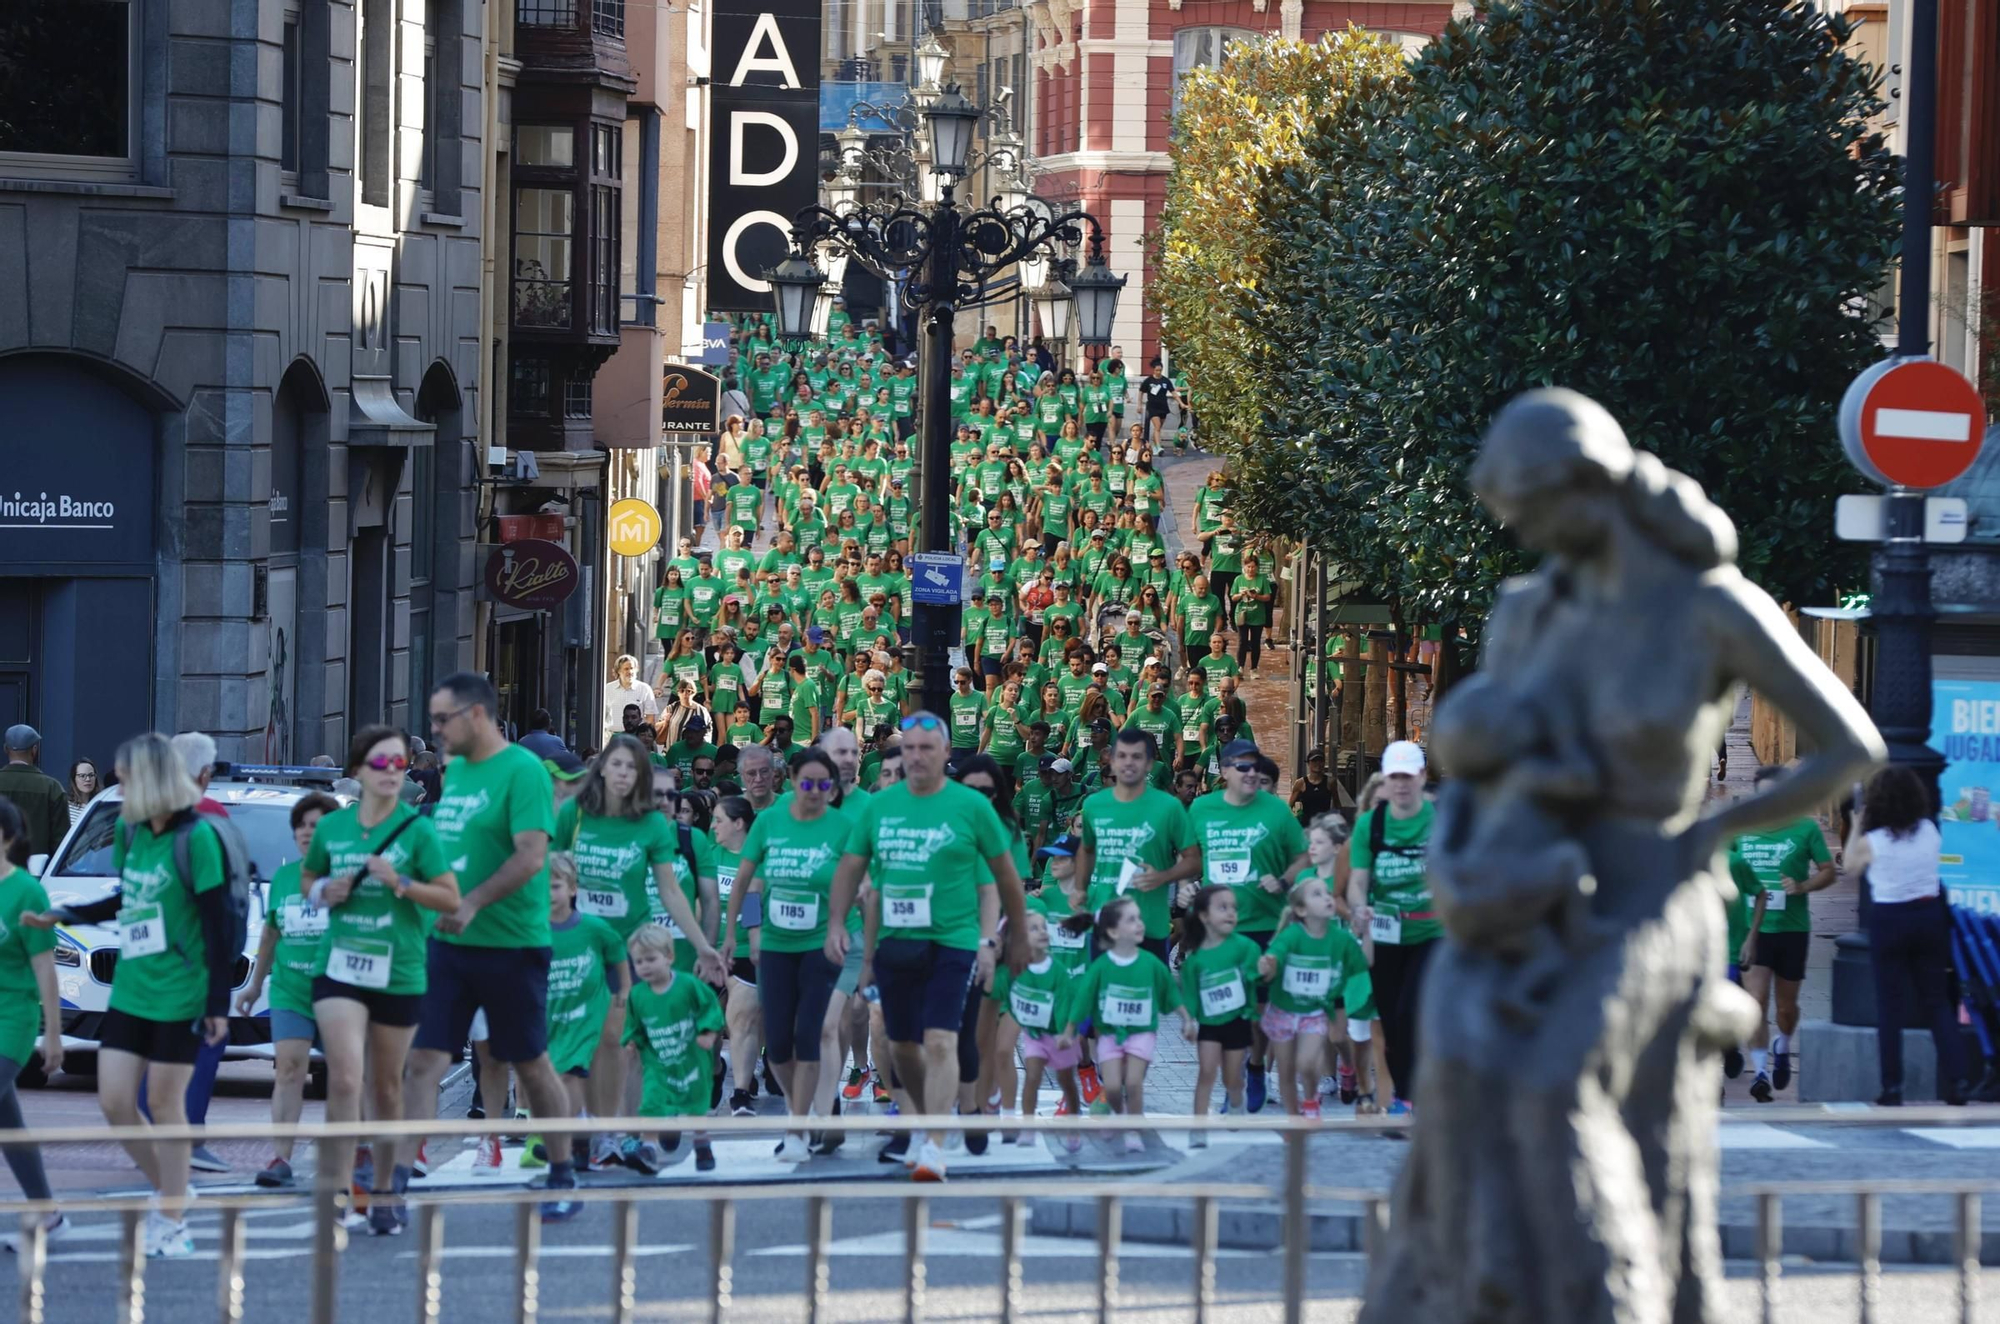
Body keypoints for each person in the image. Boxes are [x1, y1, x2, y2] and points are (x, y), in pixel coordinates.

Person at [22, 733, 233, 1258]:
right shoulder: (132, 833)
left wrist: (216, 1006)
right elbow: (125, 899)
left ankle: (172, 1217)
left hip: (180, 993)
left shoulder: (198, 837)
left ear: (154, 778)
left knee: (165, 1104)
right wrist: (63, 914)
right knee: (115, 1102)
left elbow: (219, 927)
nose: (119, 785)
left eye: (126, 776)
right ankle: (173, 1191)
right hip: (132, 990)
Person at [404, 673, 584, 1224]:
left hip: (510, 944)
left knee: (530, 1063)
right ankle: (398, 1172)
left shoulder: (523, 772)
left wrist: (474, 902)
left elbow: (532, 855)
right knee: (424, 1059)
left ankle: (561, 1171)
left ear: (475, 715)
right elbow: (452, 849)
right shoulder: (457, 773)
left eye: (442, 719)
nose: (434, 731)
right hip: (449, 942)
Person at [826, 712, 1030, 1181]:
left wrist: (1009, 935)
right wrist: (838, 922)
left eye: (926, 748)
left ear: (944, 753)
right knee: (902, 1049)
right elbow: (851, 870)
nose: (917, 757)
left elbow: (1003, 879)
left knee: (940, 1041)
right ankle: (919, 1119)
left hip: (952, 941)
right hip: (898, 941)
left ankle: (933, 1144)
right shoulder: (880, 808)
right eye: (910, 749)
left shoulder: (971, 807)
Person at [301, 725, 460, 1235]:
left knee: (387, 1086)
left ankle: (388, 1187)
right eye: (382, 763)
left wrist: (402, 883)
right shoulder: (333, 829)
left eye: (399, 763)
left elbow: (449, 898)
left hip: (399, 968)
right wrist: (326, 889)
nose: (394, 772)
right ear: (358, 771)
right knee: (347, 1077)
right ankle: (341, 1186)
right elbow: (309, 880)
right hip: (342, 965)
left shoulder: (418, 831)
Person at [555, 733, 718, 1161]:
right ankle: (581, 1125)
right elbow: (546, 873)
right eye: (618, 765)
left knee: (614, 1039)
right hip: (574, 942)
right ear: (602, 768)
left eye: (634, 768)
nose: (625, 774)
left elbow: (670, 891)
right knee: (577, 1039)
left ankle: (606, 1131)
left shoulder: (650, 825)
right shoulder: (573, 814)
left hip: (625, 948)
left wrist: (703, 946)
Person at [729, 747, 851, 1161]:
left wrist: (840, 928)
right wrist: (748, 930)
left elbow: (855, 885)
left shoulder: (842, 827)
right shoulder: (769, 822)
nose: (814, 790)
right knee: (778, 1045)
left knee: (808, 1035)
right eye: (807, 782)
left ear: (832, 789)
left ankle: (797, 1126)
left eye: (823, 784)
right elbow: (747, 881)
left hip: (820, 946)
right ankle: (799, 1104)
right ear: (793, 782)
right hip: (777, 946)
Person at [1188, 738, 1309, 1112]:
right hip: (1219, 929)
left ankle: (1255, 1066)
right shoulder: (1201, 808)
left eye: (1256, 766)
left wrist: (1285, 881)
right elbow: (1191, 857)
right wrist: (1184, 885)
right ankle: (1233, 1082)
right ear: (1223, 771)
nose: (1252, 772)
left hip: (1265, 924)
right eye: (1243, 766)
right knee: (1225, 1008)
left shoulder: (1275, 809)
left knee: (1256, 1014)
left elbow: (1302, 856)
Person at [236, 789, 341, 1189]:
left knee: (347, 1077)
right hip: (289, 991)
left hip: (338, 991)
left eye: (317, 826)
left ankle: (352, 1152)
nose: (307, 832)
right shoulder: (283, 876)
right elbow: (271, 934)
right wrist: (253, 986)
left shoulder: (348, 873)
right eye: (301, 825)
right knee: (289, 1070)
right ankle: (281, 1157)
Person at [1845, 765, 1966, 1106]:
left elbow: (1850, 865)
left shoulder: (1875, 840)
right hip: (1928, 916)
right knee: (1938, 1002)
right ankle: (1957, 1082)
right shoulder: (1930, 830)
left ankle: (1892, 1087)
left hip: (1890, 918)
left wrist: (1856, 824)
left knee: (1889, 1008)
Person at [1730, 765, 1836, 1103]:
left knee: (1786, 1008)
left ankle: (1783, 1045)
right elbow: (1722, 864)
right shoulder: (1742, 827)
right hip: (1753, 929)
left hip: (1792, 928)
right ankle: (1760, 1072)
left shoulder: (1806, 828)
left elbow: (1829, 871)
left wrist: (1802, 886)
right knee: (1755, 1002)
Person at [1344, 739, 1433, 1117]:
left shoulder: (1440, 819)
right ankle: (1403, 1095)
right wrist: (1359, 907)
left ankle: (1418, 1095)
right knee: (1391, 1018)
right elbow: (1358, 879)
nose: (1401, 784)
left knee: (1414, 1010)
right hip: (1386, 932)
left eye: (1408, 777)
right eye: (1394, 776)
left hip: (1432, 932)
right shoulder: (1371, 823)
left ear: (1422, 778)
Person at [1059, 895, 1182, 1153]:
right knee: (1113, 1087)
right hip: (1109, 1036)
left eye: (1139, 918)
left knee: (1134, 1082)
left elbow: (1170, 993)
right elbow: (1083, 1000)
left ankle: (1133, 1130)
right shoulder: (1101, 966)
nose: (1140, 924)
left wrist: (1188, 1020)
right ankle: (1120, 1111)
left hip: (1141, 1033)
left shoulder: (1150, 962)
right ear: (1113, 931)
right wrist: (1070, 1031)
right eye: (1132, 919)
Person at [0, 795, 68, 1249]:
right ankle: (48, 1212)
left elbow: (46, 969)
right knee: (9, 1124)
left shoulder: (29, 892)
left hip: (13, 1019)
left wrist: (55, 1036)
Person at [1073, 730, 1199, 963]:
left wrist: (1164, 876)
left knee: (1150, 995)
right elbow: (1086, 849)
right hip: (1105, 920)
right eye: (1122, 756)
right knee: (1104, 994)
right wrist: (1080, 889)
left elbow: (1193, 859)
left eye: (1137, 757)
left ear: (1149, 764)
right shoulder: (1093, 805)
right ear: (1112, 761)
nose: (1128, 762)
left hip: (1149, 922)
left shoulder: (1169, 807)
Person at [1257, 875, 1372, 1119]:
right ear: (1300, 909)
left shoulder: (1340, 939)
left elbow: (1366, 962)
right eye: (1317, 894)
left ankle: (1310, 1100)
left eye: (1327, 893)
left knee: (1307, 1063)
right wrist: (1267, 966)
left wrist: (1368, 931)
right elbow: (1273, 959)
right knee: (1286, 1071)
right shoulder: (1291, 936)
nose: (1327, 898)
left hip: (1316, 1011)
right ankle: (1293, 1118)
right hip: (1283, 1011)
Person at [542, 852, 630, 1167]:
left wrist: (623, 991)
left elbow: (617, 954)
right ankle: (577, 1132)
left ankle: (583, 1135)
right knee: (557, 1072)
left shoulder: (593, 928)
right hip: (554, 1011)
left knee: (574, 1070)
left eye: (554, 886)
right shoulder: (533, 928)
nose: (548, 894)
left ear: (572, 888)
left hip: (590, 1009)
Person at [623, 923, 726, 1173]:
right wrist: (631, 1041)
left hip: (689, 1058)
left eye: (651, 959)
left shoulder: (688, 986)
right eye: (638, 962)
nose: (644, 966)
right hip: (656, 1062)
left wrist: (708, 1033)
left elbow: (711, 1008)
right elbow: (633, 1022)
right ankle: (648, 1147)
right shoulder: (637, 995)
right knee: (651, 1101)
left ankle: (702, 1143)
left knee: (694, 1104)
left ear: (669, 957)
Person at [988, 910, 1080, 1148]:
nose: (1042, 931)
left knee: (1067, 1081)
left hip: (1060, 1036)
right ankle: (1027, 1127)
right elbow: (996, 986)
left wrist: (1064, 1032)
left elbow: (1064, 1001)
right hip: (1034, 1035)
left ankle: (1074, 1124)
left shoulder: (1058, 970)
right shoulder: (1014, 968)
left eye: (1043, 927)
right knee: (1033, 1076)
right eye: (1033, 928)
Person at [1176, 884, 1259, 1144]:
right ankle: (1198, 1127)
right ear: (1203, 916)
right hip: (1210, 1024)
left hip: (1238, 1022)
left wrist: (1264, 970)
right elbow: (1190, 996)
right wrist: (1188, 1021)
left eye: (1234, 908)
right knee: (1206, 1072)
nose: (1230, 913)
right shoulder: (1196, 960)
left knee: (1231, 1077)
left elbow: (1255, 979)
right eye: (1222, 907)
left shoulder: (1245, 947)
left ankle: (1236, 1102)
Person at [0, 726, 68, 861]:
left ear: (5, 749)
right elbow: (61, 842)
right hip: (38, 873)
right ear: (34, 750)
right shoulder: (52, 787)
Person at [603, 656, 659, 745]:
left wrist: (645, 737)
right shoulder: (608, 689)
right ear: (618, 671)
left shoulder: (645, 689)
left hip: (636, 739)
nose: (630, 672)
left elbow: (650, 718)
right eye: (626, 669)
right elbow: (601, 715)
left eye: (632, 668)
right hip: (611, 739)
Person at [66, 757, 100, 827]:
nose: (88, 779)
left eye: (91, 775)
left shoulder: (100, 805)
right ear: (74, 778)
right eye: (82, 776)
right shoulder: (66, 807)